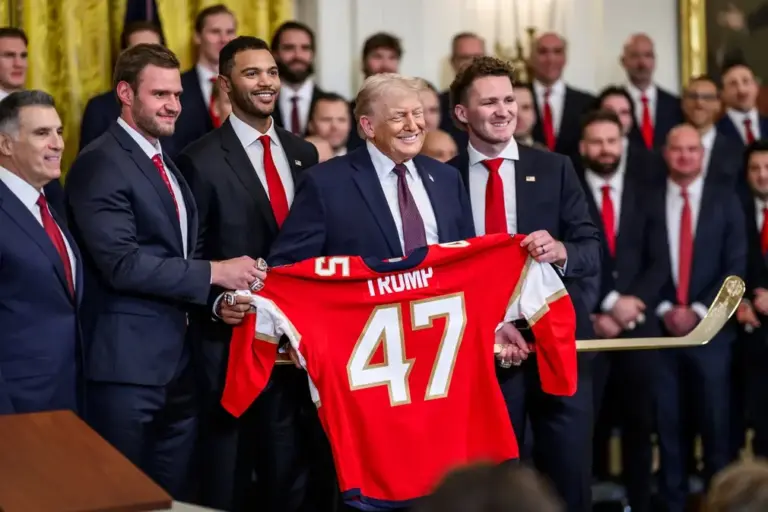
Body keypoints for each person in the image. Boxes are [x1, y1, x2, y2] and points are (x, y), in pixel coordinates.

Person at [220, 72, 525, 511]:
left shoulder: (446, 179)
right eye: (399, 116)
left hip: (441, 377)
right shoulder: (327, 184)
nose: (413, 125)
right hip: (368, 382)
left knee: (441, 491)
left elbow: (465, 269)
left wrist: (497, 323)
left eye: (418, 113)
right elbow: (289, 270)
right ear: (367, 126)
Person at [65, 43, 264, 499]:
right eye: (159, 95)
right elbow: (122, 265)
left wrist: (216, 299)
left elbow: (175, 254)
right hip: (125, 370)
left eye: (176, 94)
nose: (173, 104)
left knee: (168, 497)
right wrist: (215, 272)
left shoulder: (164, 160)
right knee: (119, 496)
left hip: (180, 367)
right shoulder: (101, 162)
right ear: (125, 93)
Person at [446, 56, 601, 512]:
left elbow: (591, 249)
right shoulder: (442, 178)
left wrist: (560, 250)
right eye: (488, 101)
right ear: (461, 113)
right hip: (482, 349)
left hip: (557, 346)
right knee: (496, 483)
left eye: (509, 99)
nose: (502, 110)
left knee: (569, 477)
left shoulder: (555, 168)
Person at [176, 35, 319, 512]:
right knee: (231, 481)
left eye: (272, 72)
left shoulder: (305, 154)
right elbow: (191, 256)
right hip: (231, 349)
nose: (267, 83)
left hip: (299, 350)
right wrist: (216, 303)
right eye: (252, 73)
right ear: (224, 84)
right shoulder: (197, 158)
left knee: (296, 477)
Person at [0, 90, 82, 415]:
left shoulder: (50, 203)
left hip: (68, 399)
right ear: (5, 144)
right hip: (18, 410)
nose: (58, 144)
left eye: (59, 131)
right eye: (42, 133)